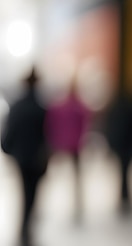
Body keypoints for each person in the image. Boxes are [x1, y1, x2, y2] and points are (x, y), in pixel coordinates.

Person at [1, 68, 49, 246]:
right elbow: (47, 136)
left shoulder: (17, 107)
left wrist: (7, 149)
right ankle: (26, 228)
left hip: (21, 158)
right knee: (32, 194)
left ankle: (24, 228)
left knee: (25, 192)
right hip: (36, 158)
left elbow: (8, 133)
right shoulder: (41, 108)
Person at [44, 74, 92, 221]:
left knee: (52, 175)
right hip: (73, 144)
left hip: (63, 144)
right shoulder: (78, 106)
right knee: (74, 176)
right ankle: (76, 205)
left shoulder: (61, 106)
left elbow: (52, 123)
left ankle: (49, 203)